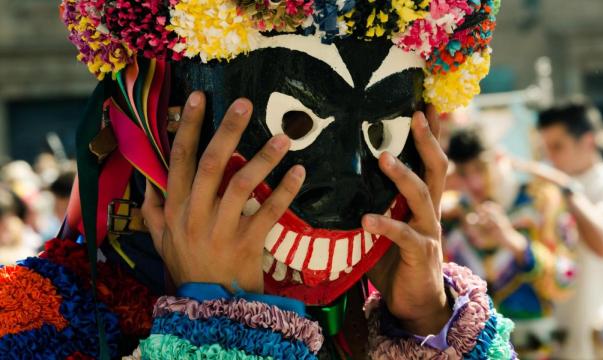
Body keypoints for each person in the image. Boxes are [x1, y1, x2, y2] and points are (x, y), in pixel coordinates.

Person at [0, 0, 514, 358]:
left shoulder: (395, 318)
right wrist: (220, 330)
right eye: (295, 123)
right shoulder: (28, 323)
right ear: (164, 119)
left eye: (382, 132)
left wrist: (430, 325)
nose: (348, 185)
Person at [443, 127, 577, 359]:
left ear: (500, 158)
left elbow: (566, 280)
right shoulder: (452, 213)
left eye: (480, 167)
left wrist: (515, 244)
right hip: (476, 348)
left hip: (534, 346)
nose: (474, 181)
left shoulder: (542, 202)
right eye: (464, 172)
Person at [535, 100, 603, 359]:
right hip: (551, 334)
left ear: (588, 141)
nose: (551, 157)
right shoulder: (546, 186)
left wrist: (567, 191)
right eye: (546, 148)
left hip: (595, 337)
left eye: (558, 146)